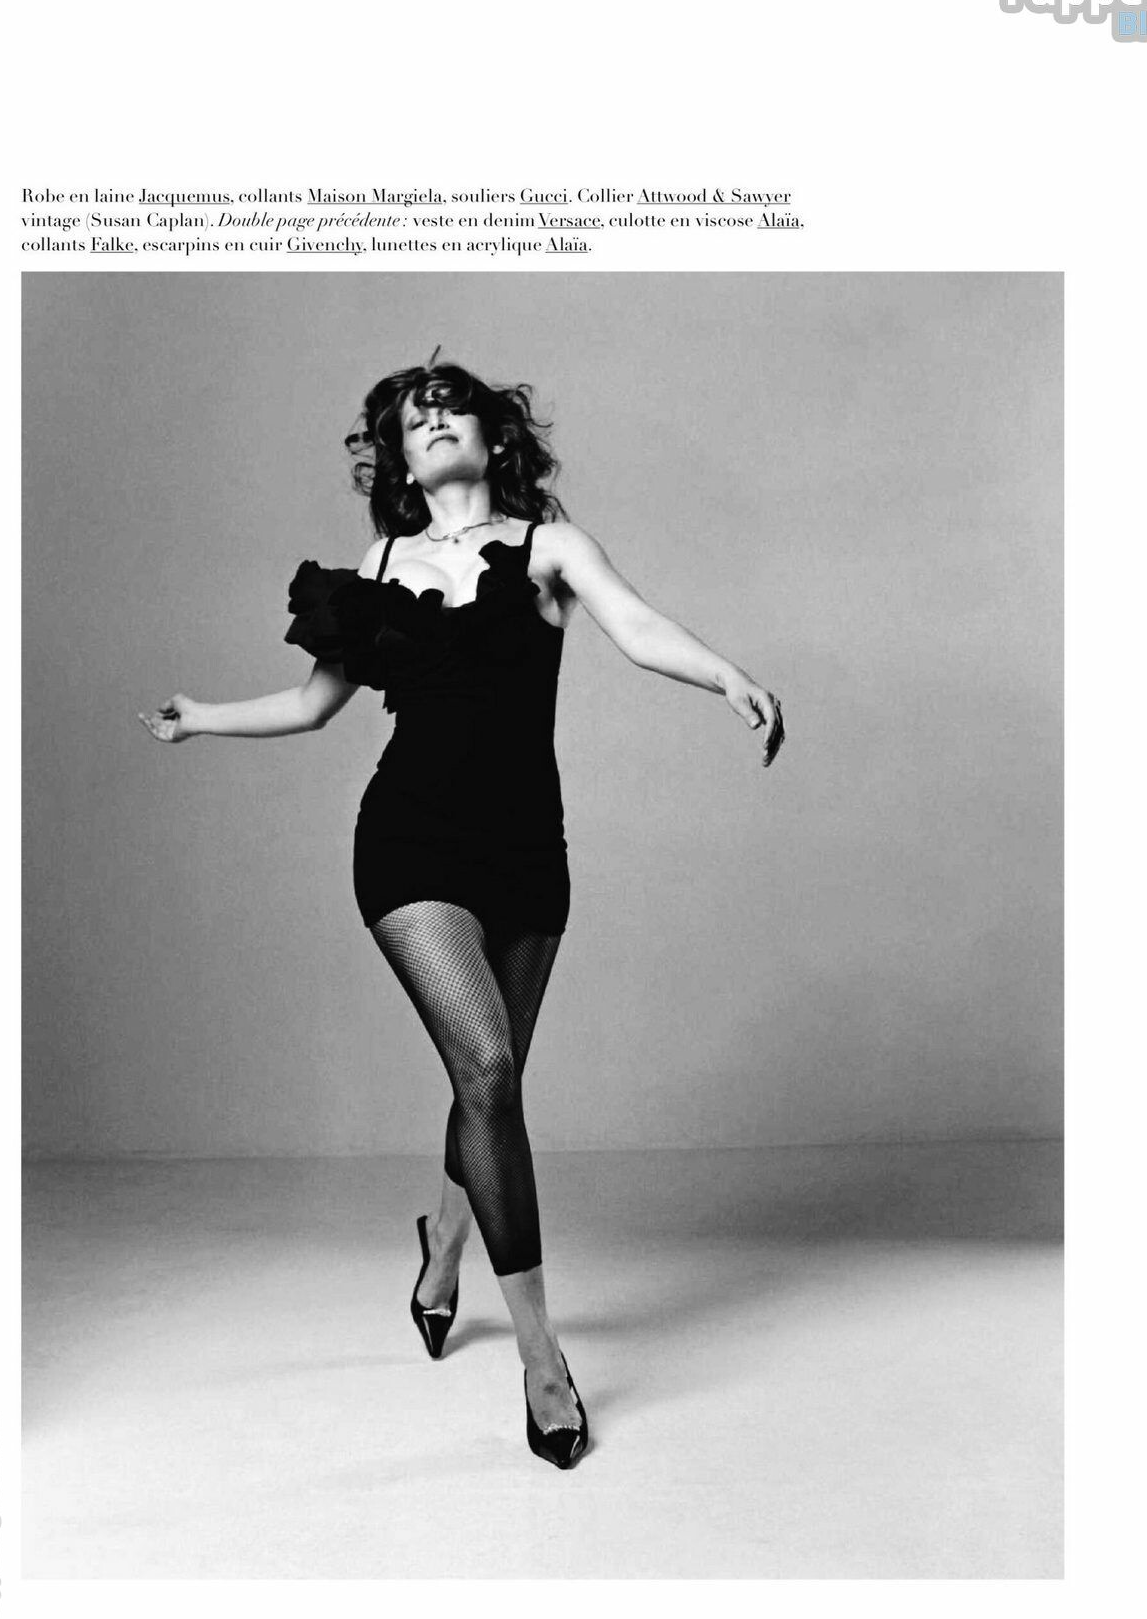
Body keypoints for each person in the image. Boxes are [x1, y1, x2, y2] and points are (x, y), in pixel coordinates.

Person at [139, 359, 786, 1469]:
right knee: (485, 1064)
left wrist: (728, 675)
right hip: (409, 841)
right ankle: (542, 1357)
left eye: (449, 408)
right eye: (411, 419)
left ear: (494, 434)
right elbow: (313, 703)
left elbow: (636, 629)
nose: (431, 423)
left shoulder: (550, 547)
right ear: (396, 457)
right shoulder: (376, 569)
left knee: (490, 1083)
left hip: (527, 852)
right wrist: (202, 715)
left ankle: (443, 1246)